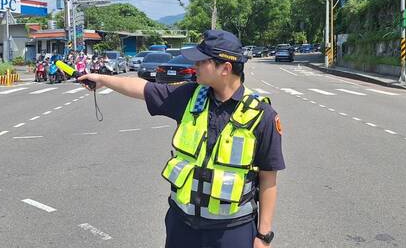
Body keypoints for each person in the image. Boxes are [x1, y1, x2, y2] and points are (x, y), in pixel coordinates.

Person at [79, 30, 284, 248]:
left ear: (225, 68)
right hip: (183, 225)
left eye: (201, 61)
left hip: (232, 230)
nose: (194, 66)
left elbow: (268, 178)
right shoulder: (190, 97)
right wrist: (102, 79)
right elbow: (144, 88)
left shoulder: (262, 115)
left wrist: (263, 236)